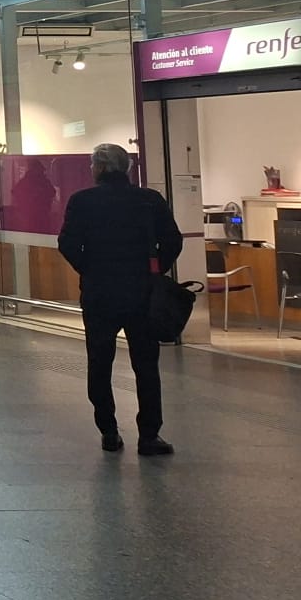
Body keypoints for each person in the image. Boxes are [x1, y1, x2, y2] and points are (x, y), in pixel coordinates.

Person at [57, 142, 182, 456]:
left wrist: (89, 268)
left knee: (100, 363)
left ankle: (109, 431)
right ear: (127, 168)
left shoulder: (82, 201)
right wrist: (154, 270)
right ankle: (150, 435)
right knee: (146, 365)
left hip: (100, 295)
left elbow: (67, 243)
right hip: (142, 293)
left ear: (98, 169)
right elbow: (173, 241)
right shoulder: (149, 200)